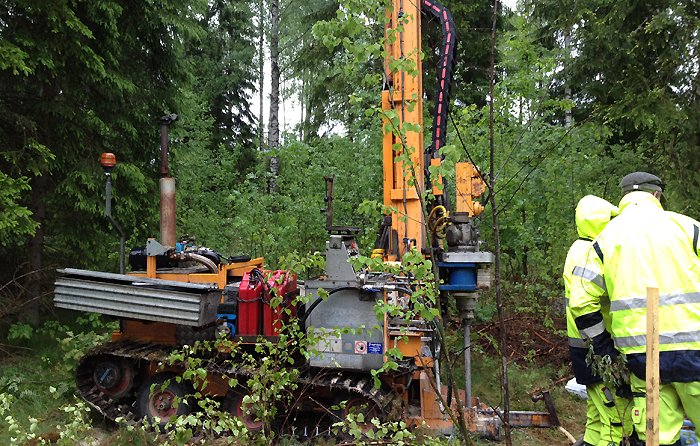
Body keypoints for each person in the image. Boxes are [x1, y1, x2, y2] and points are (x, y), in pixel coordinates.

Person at [570, 172, 700, 446]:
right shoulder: (688, 228)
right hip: (696, 353)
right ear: (657, 195)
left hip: (643, 359)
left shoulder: (605, 239)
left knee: (657, 439)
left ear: (624, 198)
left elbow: (581, 301)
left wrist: (604, 350)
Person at [564, 195, 632, 446]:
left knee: (596, 416)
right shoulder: (594, 252)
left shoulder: (577, 249)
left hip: (584, 344)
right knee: (615, 420)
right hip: (598, 346)